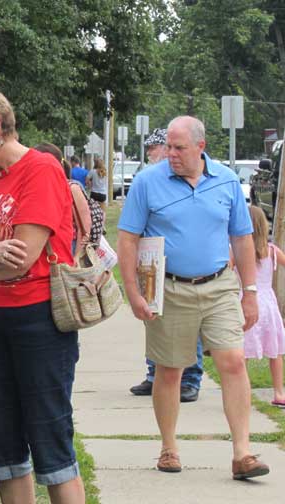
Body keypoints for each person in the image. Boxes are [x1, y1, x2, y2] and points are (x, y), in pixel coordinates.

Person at [0, 88, 85, 503]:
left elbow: (23, 259)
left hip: (38, 319)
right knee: (4, 445)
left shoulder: (41, 169)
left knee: (51, 440)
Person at [118, 115, 269, 479]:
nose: (171, 154)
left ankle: (242, 453)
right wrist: (134, 292)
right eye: (168, 146)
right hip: (168, 288)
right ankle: (169, 447)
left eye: (179, 148)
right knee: (169, 370)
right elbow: (127, 239)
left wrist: (249, 292)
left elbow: (242, 238)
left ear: (200, 147)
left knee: (233, 362)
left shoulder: (228, 181)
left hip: (218, 286)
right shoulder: (147, 182)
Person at [129, 127, 203, 403]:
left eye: (153, 148)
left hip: (184, 269)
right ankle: (154, 374)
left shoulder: (188, 180)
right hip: (152, 261)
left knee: (188, 324)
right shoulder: (148, 181)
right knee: (153, 318)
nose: (151, 153)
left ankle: (190, 378)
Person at [239, 206, 285, 407]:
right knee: (275, 351)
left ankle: (242, 393)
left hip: (245, 299)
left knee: (243, 351)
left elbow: (225, 268)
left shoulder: (238, 251)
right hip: (268, 303)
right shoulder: (272, 251)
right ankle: (279, 392)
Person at [35, 143, 92, 255]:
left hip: (70, 247)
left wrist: (77, 257)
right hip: (48, 251)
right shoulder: (38, 188)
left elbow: (84, 226)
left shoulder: (71, 188)